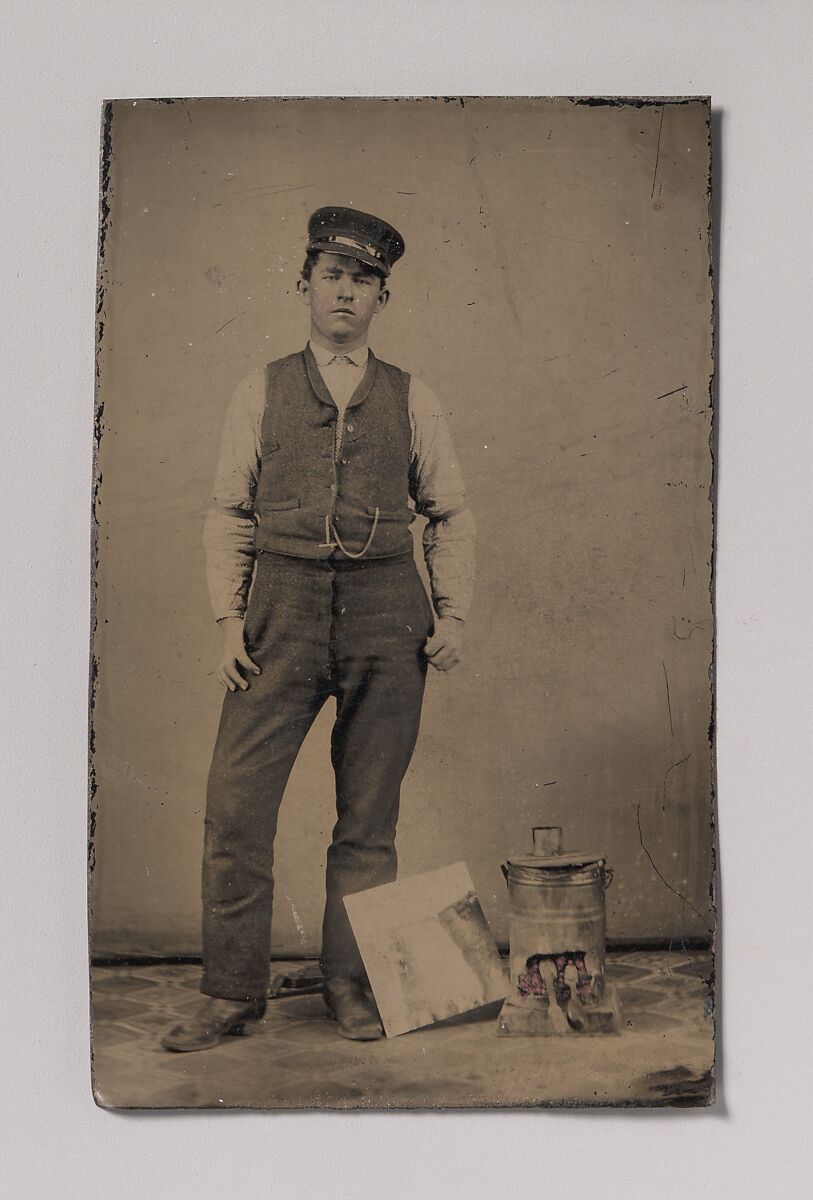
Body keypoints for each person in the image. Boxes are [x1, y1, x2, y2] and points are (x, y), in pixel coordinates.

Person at [162, 207, 475, 1051]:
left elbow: (448, 512)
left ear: (383, 297)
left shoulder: (415, 397)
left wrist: (450, 614)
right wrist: (229, 621)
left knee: (368, 821)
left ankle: (351, 984)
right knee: (235, 811)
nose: (345, 292)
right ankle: (230, 995)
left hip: (387, 618)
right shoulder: (257, 389)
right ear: (304, 286)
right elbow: (227, 509)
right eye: (331, 276)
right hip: (281, 615)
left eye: (362, 280)